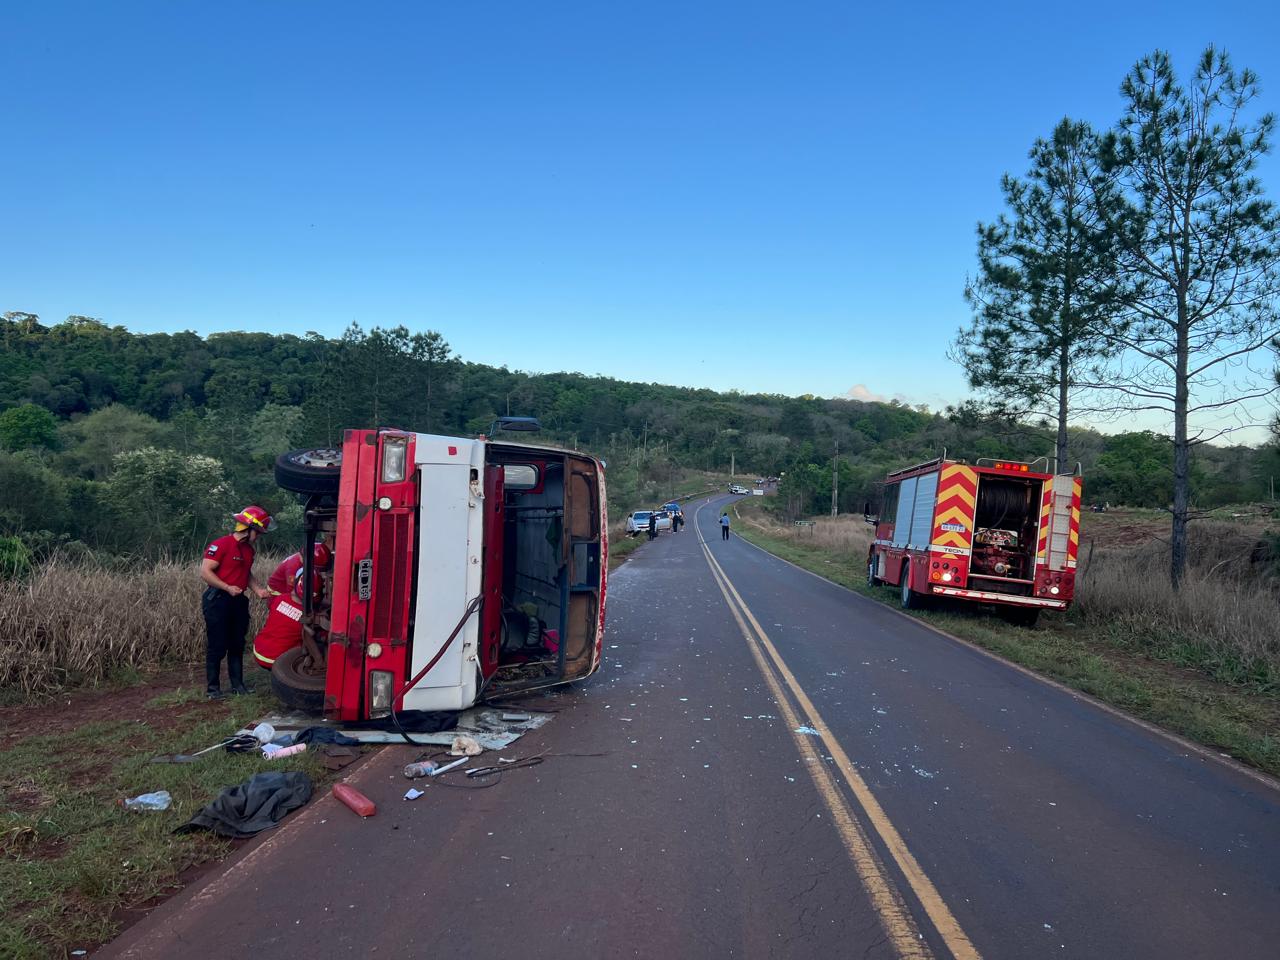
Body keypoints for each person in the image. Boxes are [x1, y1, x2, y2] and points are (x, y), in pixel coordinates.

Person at [200, 506, 273, 698]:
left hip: (238, 601)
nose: (258, 537)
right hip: (218, 600)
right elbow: (206, 572)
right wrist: (227, 587)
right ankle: (213, 689)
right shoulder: (222, 544)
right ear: (248, 529)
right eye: (257, 533)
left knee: (237, 643)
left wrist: (258, 590)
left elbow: (245, 573)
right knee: (217, 644)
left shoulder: (249, 550)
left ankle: (238, 686)